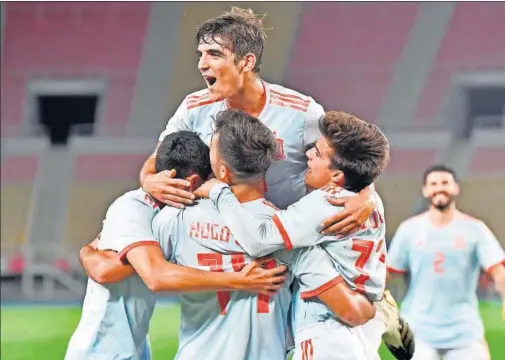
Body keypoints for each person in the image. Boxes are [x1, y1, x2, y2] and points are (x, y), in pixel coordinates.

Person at [150, 109, 376, 360]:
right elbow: (352, 310)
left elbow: (144, 271)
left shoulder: (174, 218)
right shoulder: (290, 235)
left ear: (222, 173)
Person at [139, 6, 375, 235]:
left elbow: (349, 162)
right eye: (201, 54)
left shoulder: (302, 112)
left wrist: (367, 197)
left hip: (282, 237)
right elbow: (153, 163)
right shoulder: (193, 108)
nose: (202, 64)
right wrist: (148, 181)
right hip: (220, 236)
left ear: (247, 62)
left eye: (214, 54)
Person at [197, 111, 414, 360]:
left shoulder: (326, 203)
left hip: (330, 331)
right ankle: (382, 314)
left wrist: (219, 193)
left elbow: (259, 240)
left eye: (318, 153)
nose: (308, 154)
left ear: (336, 177)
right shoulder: (368, 199)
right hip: (361, 316)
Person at [65, 131, 287, 360]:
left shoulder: (169, 217)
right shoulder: (132, 208)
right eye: (205, 180)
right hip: (100, 351)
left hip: (131, 348)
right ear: (192, 182)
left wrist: (89, 252)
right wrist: (240, 281)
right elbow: (120, 272)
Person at [387, 165, 505, 360]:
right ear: (425, 190)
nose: (439, 188)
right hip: (419, 329)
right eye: (433, 184)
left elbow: (498, 272)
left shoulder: (475, 229)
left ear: (456, 188)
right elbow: (387, 273)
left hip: (464, 330)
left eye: (445, 183)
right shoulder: (409, 229)